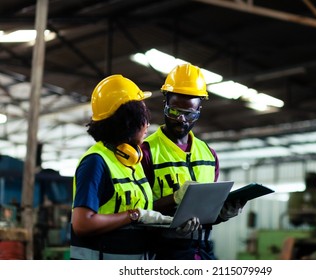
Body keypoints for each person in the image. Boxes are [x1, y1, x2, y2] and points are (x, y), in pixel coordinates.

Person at [141, 63, 246, 260]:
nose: (181, 119)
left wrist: (222, 213)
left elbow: (207, 214)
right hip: (161, 254)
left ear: (199, 110)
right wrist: (174, 201)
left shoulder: (209, 155)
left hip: (201, 251)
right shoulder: (146, 152)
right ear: (165, 103)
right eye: (174, 111)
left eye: (189, 114)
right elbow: (137, 211)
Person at [70, 74, 174, 260]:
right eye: (143, 118)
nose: (147, 125)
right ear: (128, 122)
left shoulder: (131, 162)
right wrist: (134, 215)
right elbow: (82, 224)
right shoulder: (96, 162)